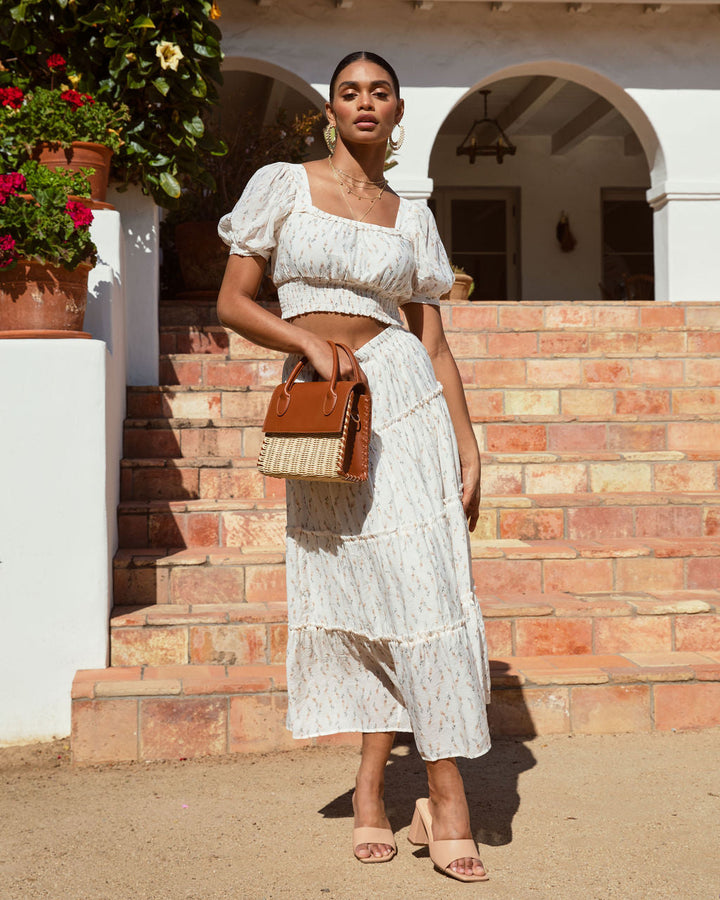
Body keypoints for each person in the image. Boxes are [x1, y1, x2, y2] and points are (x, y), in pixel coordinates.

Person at [217, 51, 491, 884]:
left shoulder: (409, 214)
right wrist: (305, 340)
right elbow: (233, 300)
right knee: (369, 597)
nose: (363, 103)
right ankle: (372, 790)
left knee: (428, 590)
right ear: (329, 110)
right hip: (330, 410)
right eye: (349, 92)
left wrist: (468, 441)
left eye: (379, 92)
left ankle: (447, 794)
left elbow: (433, 341)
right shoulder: (283, 184)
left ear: (398, 111)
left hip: (404, 396)